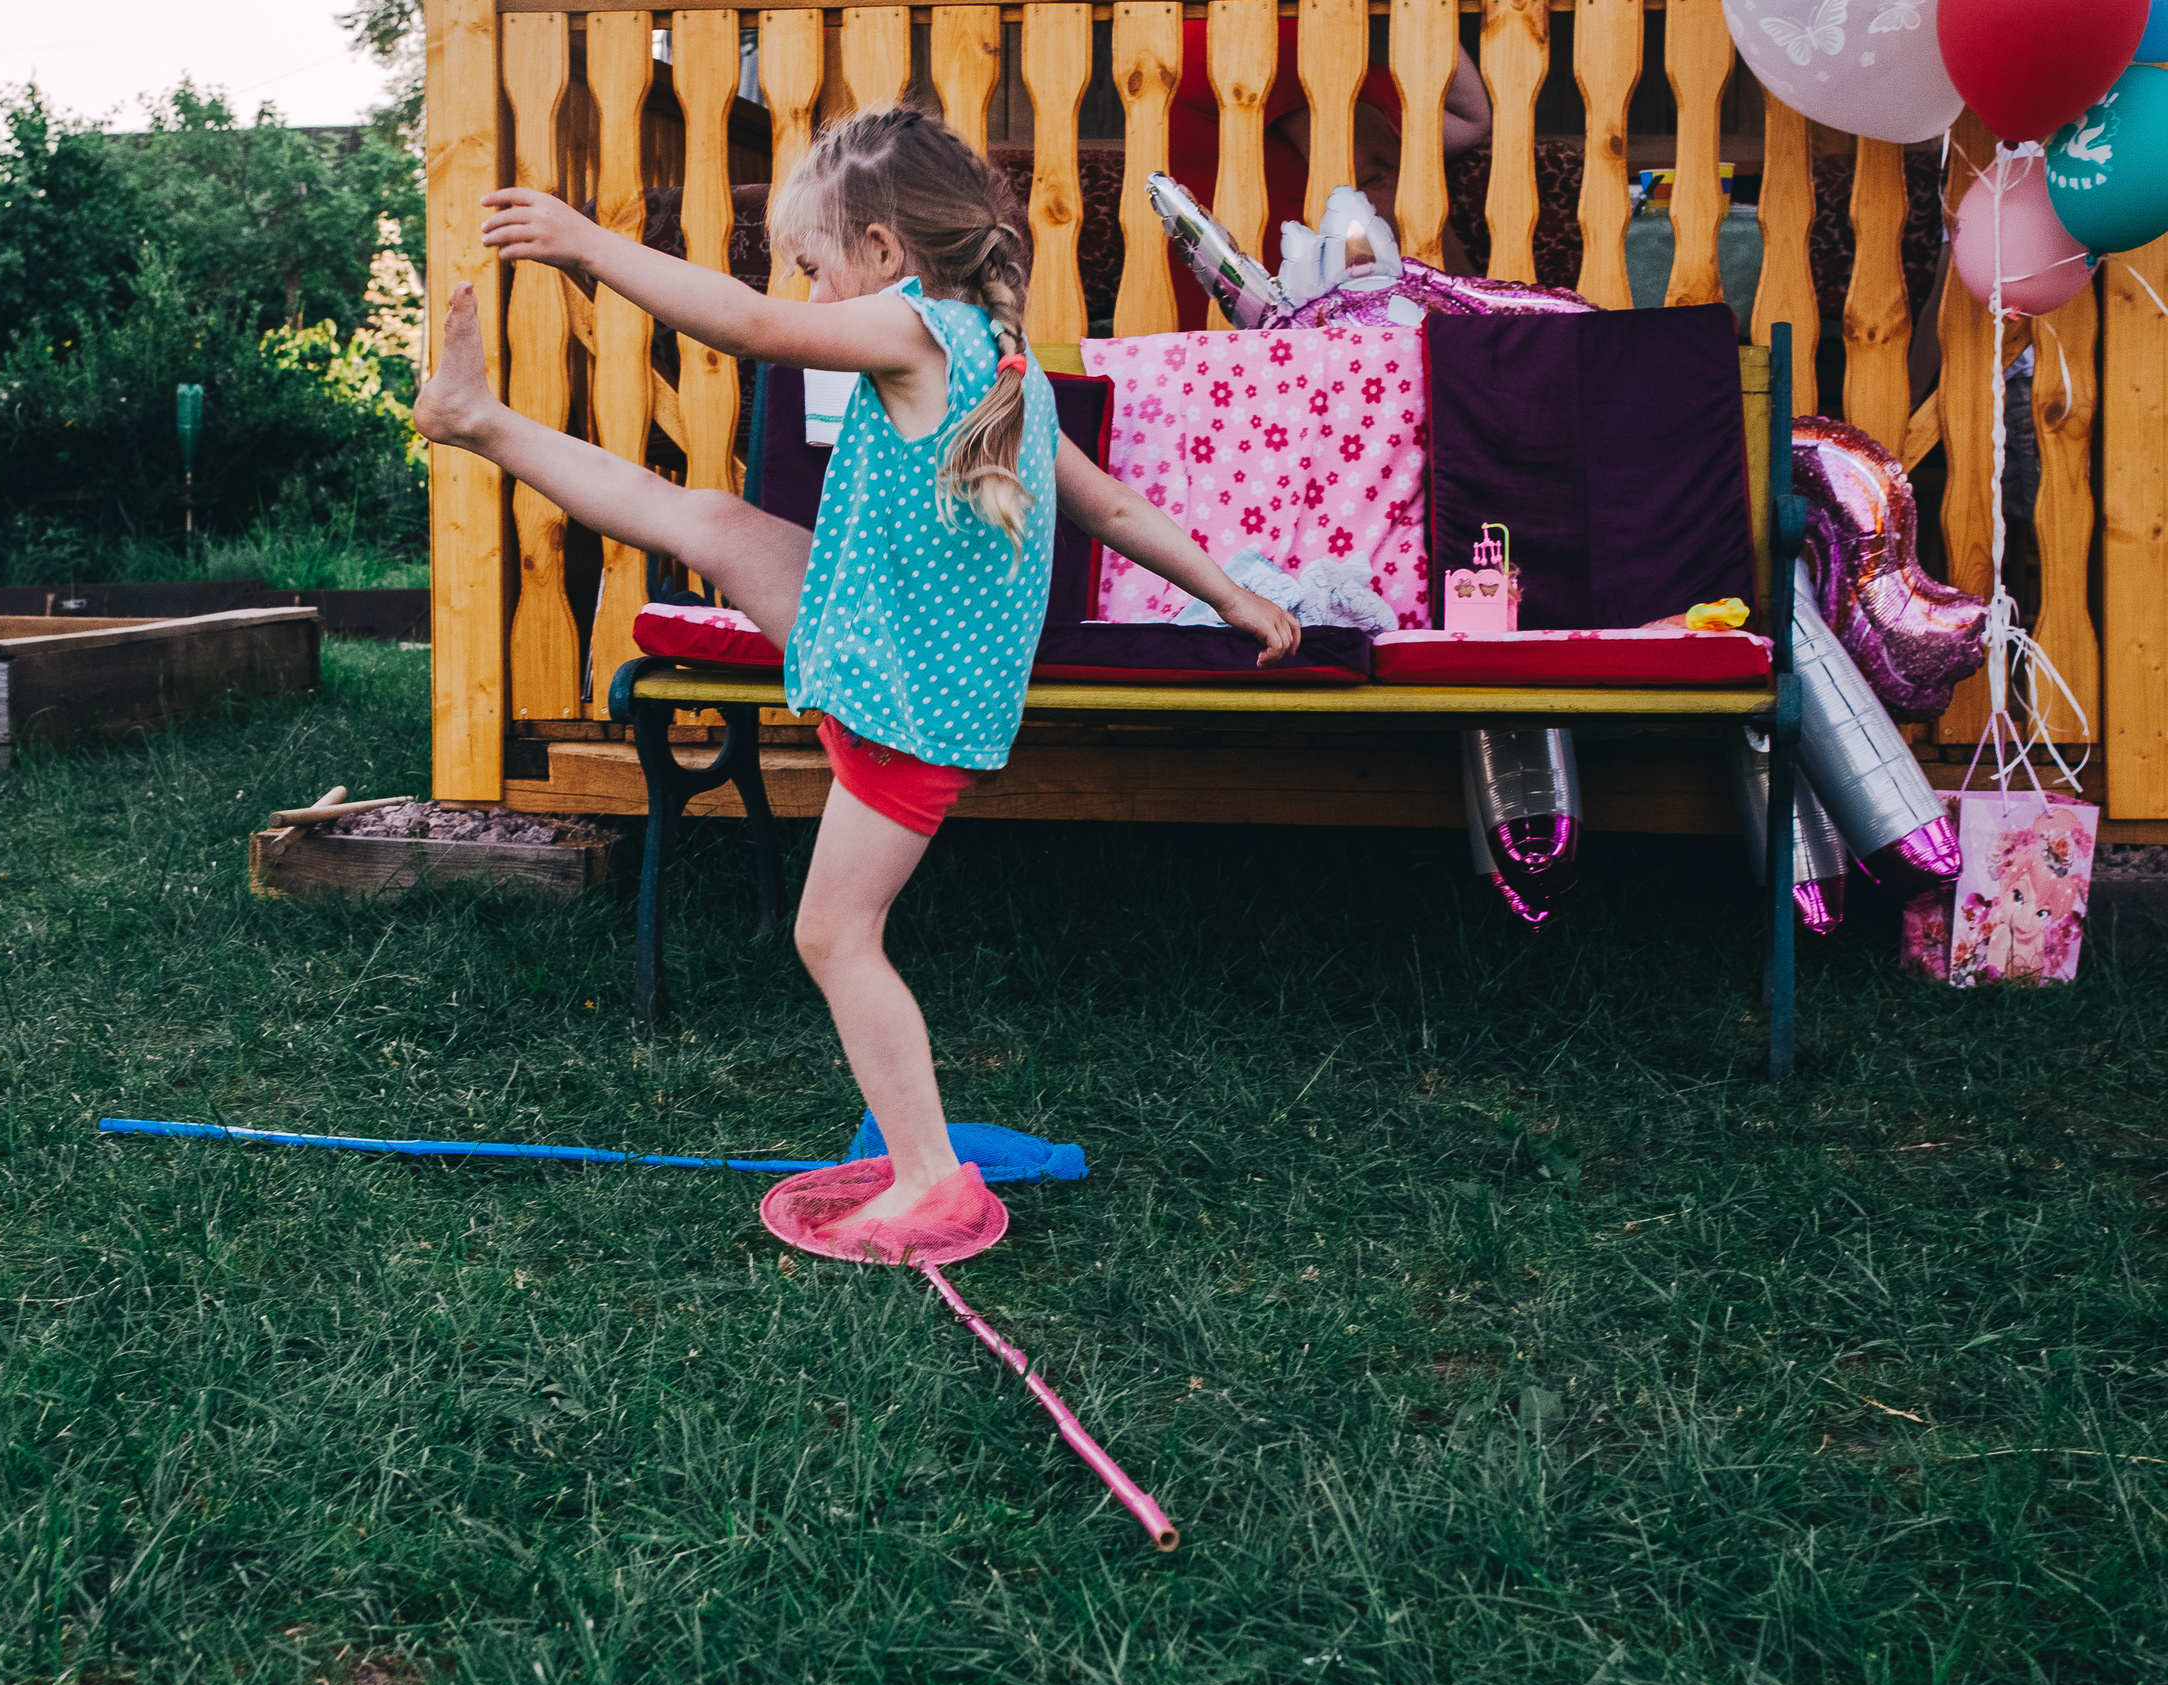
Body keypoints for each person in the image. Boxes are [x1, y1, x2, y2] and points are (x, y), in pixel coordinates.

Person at [415, 106, 1298, 1239]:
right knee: (713, 521)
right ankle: (477, 418)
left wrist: (588, 242)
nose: (808, 291)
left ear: (886, 252)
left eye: (815, 265)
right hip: (873, 640)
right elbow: (1112, 505)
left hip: (909, 707)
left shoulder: (919, 331)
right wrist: (1228, 593)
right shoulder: (1003, 362)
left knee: (833, 935)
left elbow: (745, 324)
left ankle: (929, 1173)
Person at [1162, 23, 1492, 328]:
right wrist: (1484, 325)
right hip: (1293, 333)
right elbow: (1378, 184)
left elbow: (1469, 123)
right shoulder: (1263, 36)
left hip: (1234, 335)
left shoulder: (1313, 46)